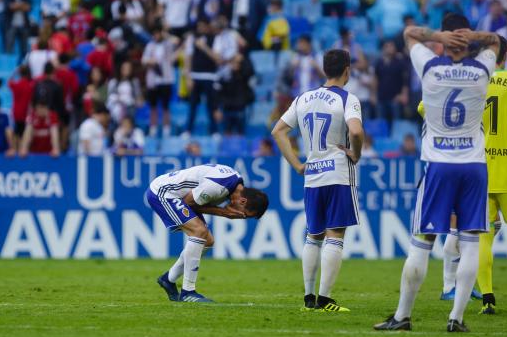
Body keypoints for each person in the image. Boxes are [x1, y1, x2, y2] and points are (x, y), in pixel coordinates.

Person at [374, 14, 500, 333]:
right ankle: (456, 319)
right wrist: (472, 36)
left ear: (444, 41)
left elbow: (409, 33)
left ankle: (402, 316)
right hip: (473, 165)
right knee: (470, 242)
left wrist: (441, 37)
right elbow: (496, 41)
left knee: (422, 242)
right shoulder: (482, 70)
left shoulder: (431, 68)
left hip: (439, 165)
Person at [443, 38, 507, 315]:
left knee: (482, 238)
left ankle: (487, 298)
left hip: (479, 169)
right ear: (506, 56)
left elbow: (430, 109)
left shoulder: (469, 82)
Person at [272, 49, 364, 312]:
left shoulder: (303, 98)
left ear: (324, 70)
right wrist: (355, 154)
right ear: (347, 69)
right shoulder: (348, 98)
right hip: (337, 173)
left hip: (313, 175)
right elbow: (355, 131)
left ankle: (309, 299)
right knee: (335, 234)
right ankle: (325, 299)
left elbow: (278, 131)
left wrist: (298, 164)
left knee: (313, 235)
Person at [153, 164, 269, 302]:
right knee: (199, 231)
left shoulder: (235, 184)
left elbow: (197, 202)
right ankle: (188, 292)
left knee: (208, 241)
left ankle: (168, 279)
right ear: (242, 201)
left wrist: (224, 212)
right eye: (243, 214)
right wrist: (224, 213)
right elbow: (188, 202)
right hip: (163, 192)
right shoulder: (217, 187)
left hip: (176, 194)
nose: (239, 215)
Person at [141, 27, 177, 137]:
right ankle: (153, 128)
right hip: (153, 80)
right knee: (153, 106)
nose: (156, 36)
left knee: (166, 106)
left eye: (158, 34)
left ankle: (166, 129)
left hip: (166, 79)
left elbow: (177, 40)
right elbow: (144, 60)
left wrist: (166, 34)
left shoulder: (168, 44)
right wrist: (151, 62)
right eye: (154, 34)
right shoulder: (150, 46)